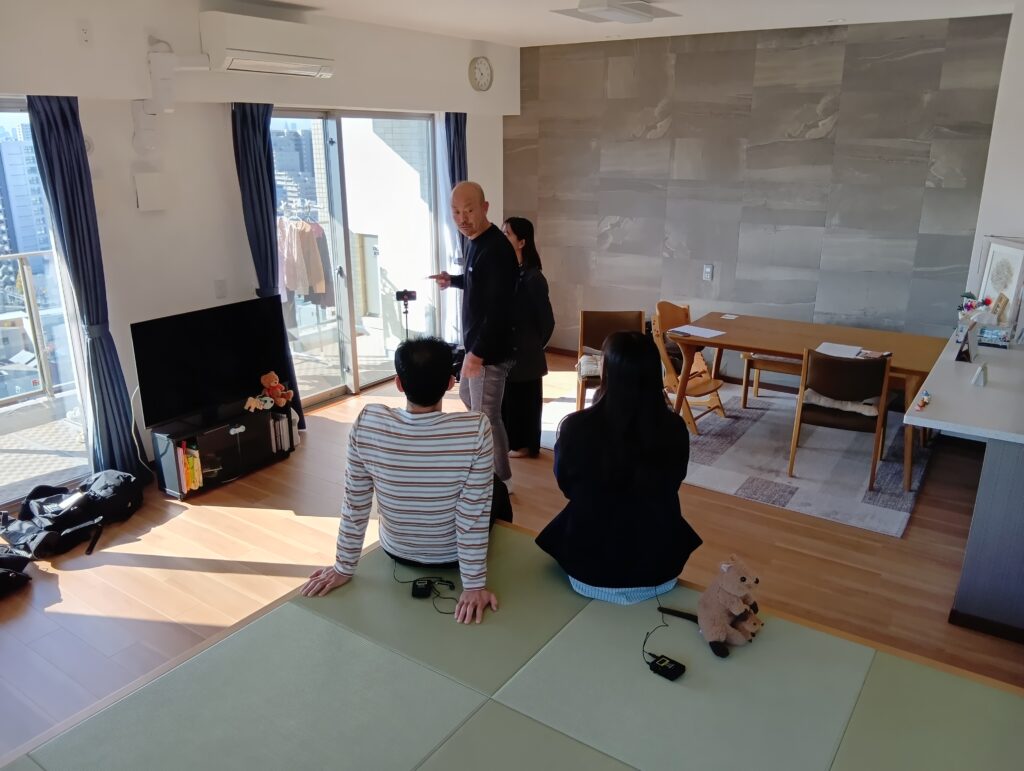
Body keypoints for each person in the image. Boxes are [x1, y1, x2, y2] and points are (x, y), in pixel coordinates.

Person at [300, 337, 499, 624]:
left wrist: (343, 567)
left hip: (396, 551)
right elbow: (472, 514)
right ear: (450, 383)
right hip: (450, 558)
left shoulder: (368, 422)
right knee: (496, 488)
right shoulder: (476, 429)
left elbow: (355, 504)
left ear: (399, 383)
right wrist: (473, 586)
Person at [535, 331, 703, 603]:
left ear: (608, 372)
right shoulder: (674, 428)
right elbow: (674, 482)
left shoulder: (576, 428)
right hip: (659, 569)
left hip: (588, 571)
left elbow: (566, 485)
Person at [430, 181, 519, 486]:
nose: (462, 219)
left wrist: (477, 354)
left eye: (468, 211)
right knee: (470, 398)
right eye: (455, 212)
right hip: (478, 346)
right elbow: (478, 281)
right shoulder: (475, 241)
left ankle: (500, 481)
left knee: (486, 417)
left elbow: (499, 310)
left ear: (485, 208)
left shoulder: (495, 249)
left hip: (489, 350)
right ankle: (494, 464)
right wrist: (452, 280)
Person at [500, 217, 555, 458]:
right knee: (511, 399)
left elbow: (547, 321)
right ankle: (513, 442)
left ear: (521, 242)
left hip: (526, 351)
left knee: (525, 399)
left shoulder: (534, 278)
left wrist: (532, 346)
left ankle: (524, 445)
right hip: (511, 349)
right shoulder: (511, 272)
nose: (503, 237)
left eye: (507, 234)